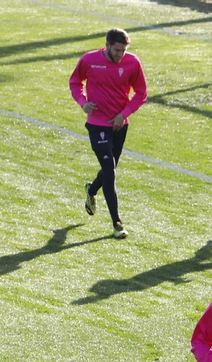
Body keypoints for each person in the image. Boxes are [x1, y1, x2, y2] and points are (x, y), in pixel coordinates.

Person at [69, 28, 146, 239]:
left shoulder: (132, 63)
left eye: (123, 50)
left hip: (119, 125)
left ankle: (91, 190)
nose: (120, 55)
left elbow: (141, 93)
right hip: (97, 124)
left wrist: (124, 113)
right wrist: (83, 102)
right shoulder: (89, 60)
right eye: (117, 50)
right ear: (107, 45)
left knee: (109, 168)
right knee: (110, 171)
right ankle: (117, 223)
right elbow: (75, 82)